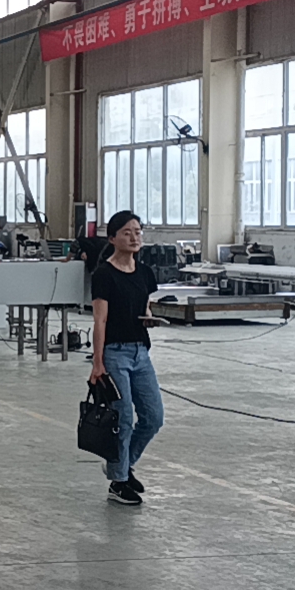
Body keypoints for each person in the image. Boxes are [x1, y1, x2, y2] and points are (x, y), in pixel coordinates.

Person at [87, 210, 164, 507]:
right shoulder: (104, 274)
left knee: (153, 417)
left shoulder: (144, 272)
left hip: (140, 352)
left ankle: (122, 465)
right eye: (127, 232)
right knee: (123, 419)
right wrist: (98, 362)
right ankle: (118, 483)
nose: (134, 237)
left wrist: (149, 318)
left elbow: (144, 306)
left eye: (138, 232)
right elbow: (100, 320)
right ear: (112, 238)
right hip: (115, 353)